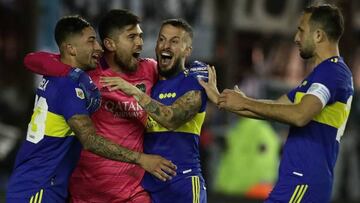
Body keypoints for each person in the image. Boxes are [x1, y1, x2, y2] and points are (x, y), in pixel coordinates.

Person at [6, 15, 176, 203]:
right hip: (41, 186)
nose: (98, 47)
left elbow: (33, 59)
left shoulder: (64, 75)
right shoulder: (72, 85)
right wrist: (142, 159)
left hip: (50, 185)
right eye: (91, 41)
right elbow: (90, 140)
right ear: (70, 48)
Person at [199, 4, 353, 203]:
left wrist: (245, 101)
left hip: (304, 182)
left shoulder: (332, 73)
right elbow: (276, 107)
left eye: (301, 30)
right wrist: (224, 100)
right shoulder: (318, 77)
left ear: (318, 36)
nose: (296, 38)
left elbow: (300, 115)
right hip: (296, 181)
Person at [101, 18, 208, 203]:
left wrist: (133, 91)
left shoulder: (194, 81)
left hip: (182, 184)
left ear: (187, 50)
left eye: (174, 41)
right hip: (148, 186)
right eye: (161, 39)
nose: (165, 46)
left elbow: (172, 118)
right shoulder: (152, 83)